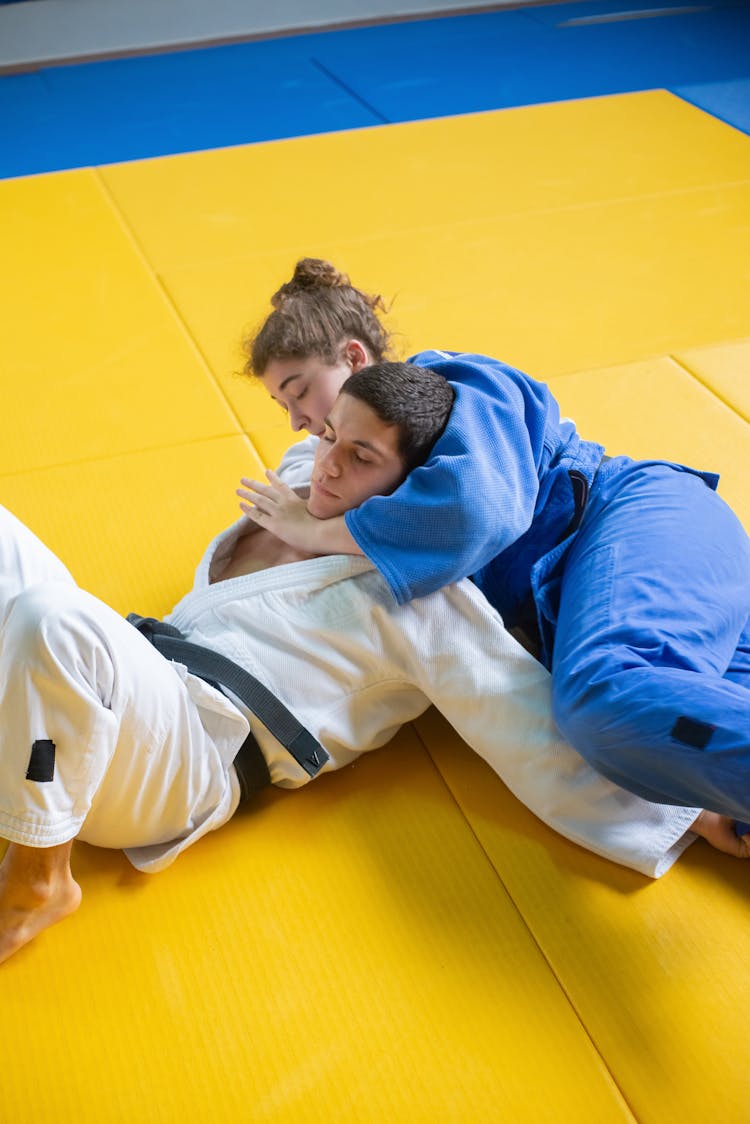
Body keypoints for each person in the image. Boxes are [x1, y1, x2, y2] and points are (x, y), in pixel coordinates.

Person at [1, 363, 743, 966]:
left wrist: (687, 802)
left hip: (187, 755)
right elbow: (345, 384)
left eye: (360, 459)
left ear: (409, 490)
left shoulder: (420, 596)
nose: (328, 465)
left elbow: (512, 711)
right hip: (113, 700)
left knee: (54, 618)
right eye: (327, 437)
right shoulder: (293, 492)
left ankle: (39, 878)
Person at [241, 258, 750, 827]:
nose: (296, 422)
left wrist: (313, 529)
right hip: (628, 603)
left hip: (635, 519)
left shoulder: (457, 382)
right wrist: (694, 813)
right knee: (645, 730)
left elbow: (479, 509)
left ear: (354, 358)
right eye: (281, 407)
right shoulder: (356, 476)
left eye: (299, 392)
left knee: (605, 697)